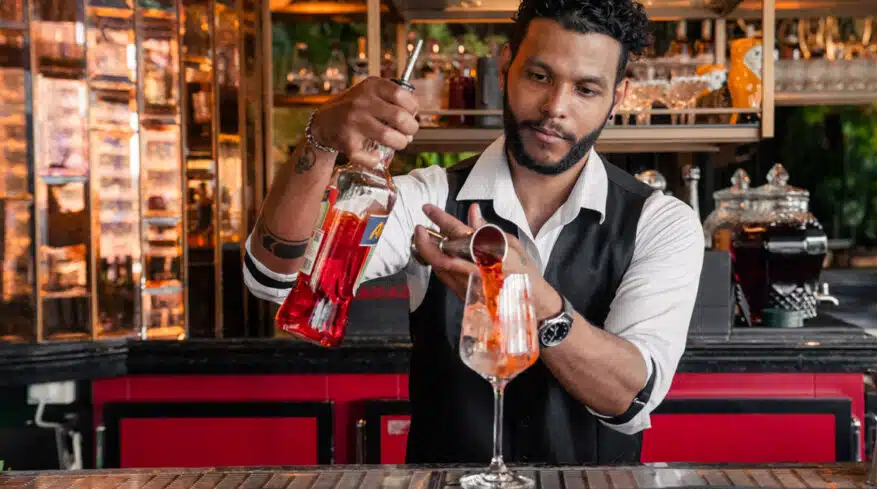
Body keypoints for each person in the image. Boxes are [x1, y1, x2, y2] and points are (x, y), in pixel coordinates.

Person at [244, 0, 704, 465]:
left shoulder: (660, 223)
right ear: (505, 68)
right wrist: (321, 139)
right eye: (538, 76)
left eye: (586, 89)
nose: (555, 108)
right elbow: (276, 281)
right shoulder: (428, 198)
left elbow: (629, 398)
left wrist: (530, 298)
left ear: (618, 97)